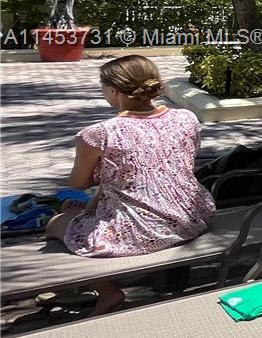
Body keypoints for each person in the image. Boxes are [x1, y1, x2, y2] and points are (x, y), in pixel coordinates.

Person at [45, 55, 216, 313]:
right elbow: (148, 174)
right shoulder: (186, 118)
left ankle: (107, 290)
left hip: (140, 232)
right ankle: (87, 275)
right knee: (80, 214)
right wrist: (92, 205)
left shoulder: (99, 133)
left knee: (54, 224)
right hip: (190, 219)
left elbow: (78, 183)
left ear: (113, 91)